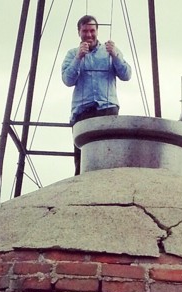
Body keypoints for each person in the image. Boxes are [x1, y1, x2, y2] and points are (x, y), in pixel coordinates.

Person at [62, 14, 132, 175]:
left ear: (97, 31)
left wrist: (115, 55)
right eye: (85, 31)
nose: (89, 35)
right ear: (79, 32)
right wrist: (79, 57)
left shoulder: (110, 50)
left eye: (92, 30)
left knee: (109, 158)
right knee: (82, 161)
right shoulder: (72, 54)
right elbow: (67, 80)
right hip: (82, 112)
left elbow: (126, 75)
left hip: (107, 109)